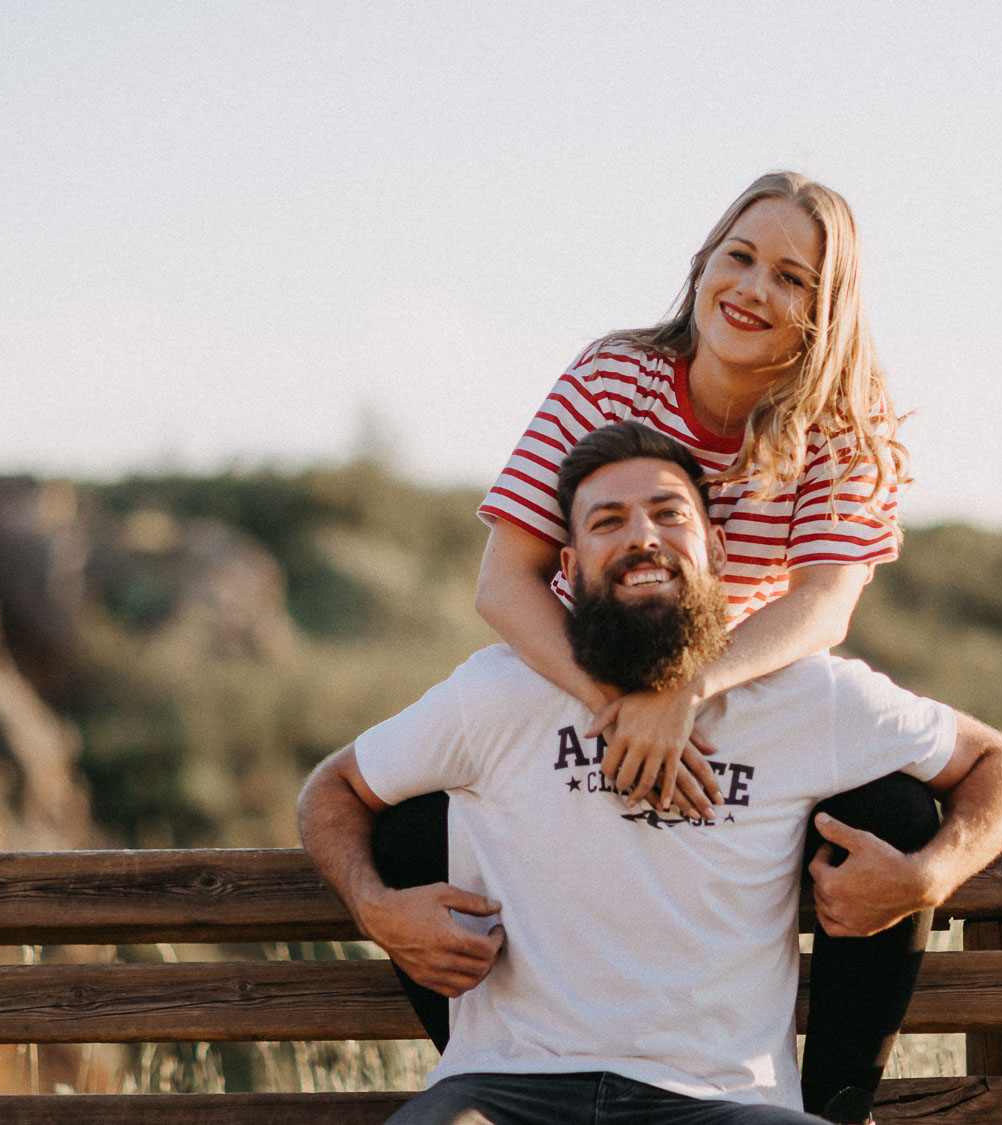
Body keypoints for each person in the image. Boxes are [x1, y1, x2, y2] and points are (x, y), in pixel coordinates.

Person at [379, 173, 937, 1116]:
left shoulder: (847, 414)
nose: (755, 290)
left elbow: (826, 602)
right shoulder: (612, 378)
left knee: (893, 811)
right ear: (703, 265)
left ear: (825, 310)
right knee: (409, 827)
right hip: (585, 662)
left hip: (737, 687)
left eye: (794, 278)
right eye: (741, 257)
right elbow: (505, 579)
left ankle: (834, 1105)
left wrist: (691, 694)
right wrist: (618, 707)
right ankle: (512, 1076)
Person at [302, 423, 1002, 1124]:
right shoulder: (497, 694)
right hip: (505, 1091)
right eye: (607, 521)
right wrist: (374, 908)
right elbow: (330, 790)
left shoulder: (808, 698)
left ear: (716, 549)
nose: (642, 536)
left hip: (726, 1103)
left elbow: (1001, 764)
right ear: (568, 568)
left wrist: (928, 877)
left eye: (667, 513)